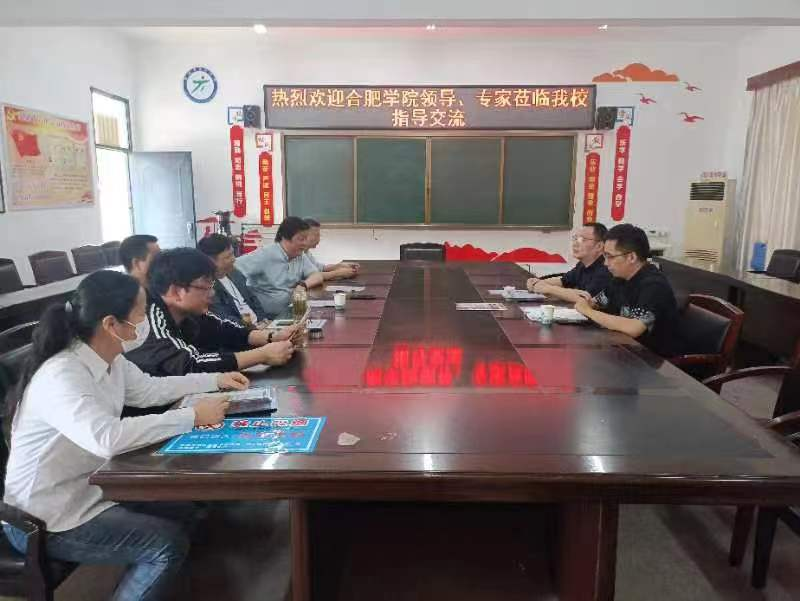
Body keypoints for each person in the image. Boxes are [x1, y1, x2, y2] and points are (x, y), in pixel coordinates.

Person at [3, 269, 248, 601]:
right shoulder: (62, 374)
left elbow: (150, 390)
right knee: (165, 545)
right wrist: (192, 416)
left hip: (93, 489)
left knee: (190, 512)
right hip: (48, 517)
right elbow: (107, 438)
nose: (146, 321)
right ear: (110, 323)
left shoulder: (108, 358)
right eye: (140, 313)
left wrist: (216, 380)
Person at [125, 248, 297, 377]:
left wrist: (272, 337)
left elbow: (224, 330)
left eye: (212, 284)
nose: (212, 293)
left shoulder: (189, 312)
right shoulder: (149, 319)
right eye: (206, 285)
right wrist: (262, 355)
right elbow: (190, 365)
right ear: (176, 292)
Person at [574, 224, 685, 357]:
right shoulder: (619, 278)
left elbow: (634, 328)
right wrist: (588, 304)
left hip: (654, 360)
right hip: (625, 349)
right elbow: (595, 303)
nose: (605, 263)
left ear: (631, 257)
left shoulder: (654, 285)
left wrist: (587, 311)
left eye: (610, 257)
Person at [236, 217, 324, 318]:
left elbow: (317, 275)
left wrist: (302, 285)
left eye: (305, 239)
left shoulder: (299, 255)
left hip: (292, 312)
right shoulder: (265, 255)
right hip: (268, 317)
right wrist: (244, 302)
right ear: (285, 238)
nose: (305, 243)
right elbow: (233, 269)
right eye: (301, 239)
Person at [526, 223, 611, 303]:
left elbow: (586, 299)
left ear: (599, 246)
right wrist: (538, 282)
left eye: (582, 239)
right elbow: (563, 281)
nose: (575, 244)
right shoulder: (582, 264)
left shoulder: (606, 269)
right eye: (575, 238)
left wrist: (548, 288)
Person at [197, 234, 268, 327]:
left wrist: (263, 320)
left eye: (233, 253)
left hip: (261, 326)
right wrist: (253, 329)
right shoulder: (208, 288)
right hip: (242, 331)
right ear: (211, 261)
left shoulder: (235, 273)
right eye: (228, 257)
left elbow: (253, 299)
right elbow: (225, 318)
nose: (234, 259)